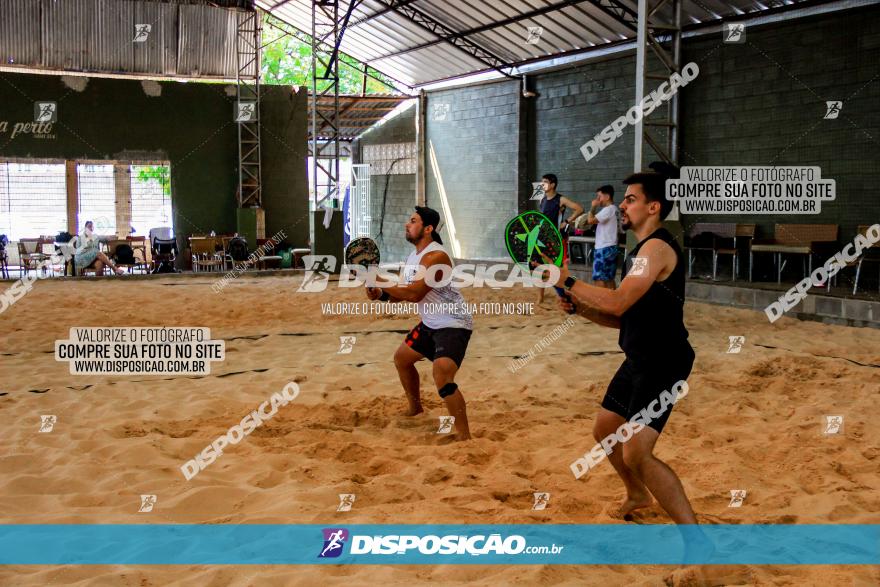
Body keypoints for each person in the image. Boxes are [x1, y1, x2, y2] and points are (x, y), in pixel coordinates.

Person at [548, 165, 699, 527]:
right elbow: (622, 318)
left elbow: (616, 302)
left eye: (631, 200)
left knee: (637, 454)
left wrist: (566, 279)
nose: (624, 206)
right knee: (604, 429)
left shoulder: (657, 248)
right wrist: (581, 309)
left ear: (654, 208)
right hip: (639, 358)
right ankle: (636, 494)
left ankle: (698, 544)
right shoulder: (638, 253)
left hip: (664, 361)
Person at [366, 206, 474, 441]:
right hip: (430, 323)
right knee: (402, 359)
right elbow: (401, 294)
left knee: (442, 376)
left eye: (413, 221)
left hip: (453, 324)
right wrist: (380, 294)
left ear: (428, 229)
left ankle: (464, 437)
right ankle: (415, 408)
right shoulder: (413, 257)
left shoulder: (437, 256)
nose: (407, 224)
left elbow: (414, 294)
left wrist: (379, 280)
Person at [537, 174, 584, 304]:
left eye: (545, 182)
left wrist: (566, 222)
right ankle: (540, 297)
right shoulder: (542, 199)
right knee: (541, 267)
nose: (542, 185)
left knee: (555, 269)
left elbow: (579, 209)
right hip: (543, 239)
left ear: (552, 184)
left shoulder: (561, 199)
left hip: (556, 240)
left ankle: (564, 295)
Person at [586, 185, 619, 289]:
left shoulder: (608, 209)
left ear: (607, 197)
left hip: (604, 248)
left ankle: (600, 303)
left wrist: (593, 207)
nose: (597, 199)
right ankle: (613, 302)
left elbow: (590, 221)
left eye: (599, 196)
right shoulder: (615, 210)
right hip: (612, 247)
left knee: (599, 278)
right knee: (609, 278)